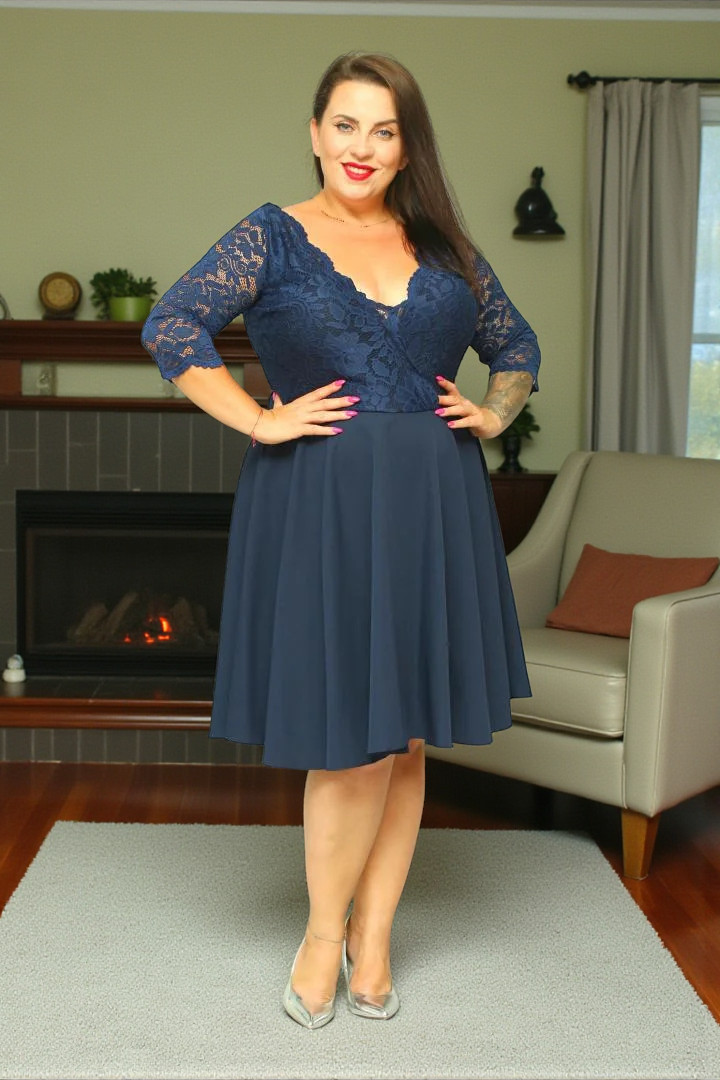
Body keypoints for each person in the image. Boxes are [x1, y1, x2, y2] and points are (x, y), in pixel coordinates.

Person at [141, 51, 540, 1031]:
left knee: (405, 735)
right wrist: (256, 418)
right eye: (346, 124)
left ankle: (377, 936)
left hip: (434, 501)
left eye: (385, 130)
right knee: (350, 739)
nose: (363, 146)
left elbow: (517, 346)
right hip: (321, 499)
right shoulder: (271, 236)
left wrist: (494, 412)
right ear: (316, 133)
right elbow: (172, 325)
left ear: (407, 147)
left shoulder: (443, 244)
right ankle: (324, 937)